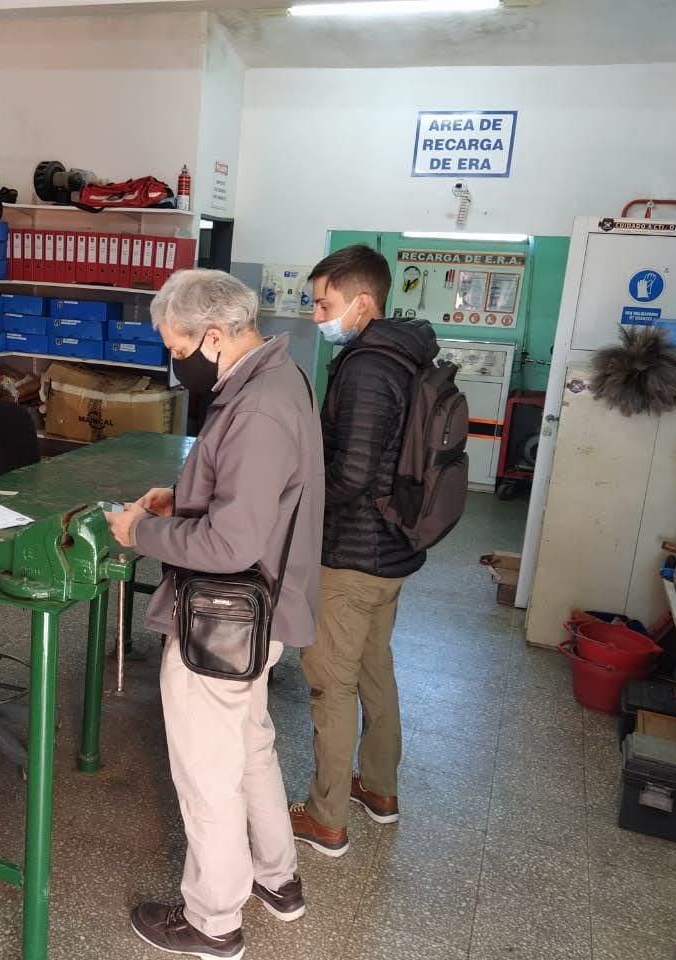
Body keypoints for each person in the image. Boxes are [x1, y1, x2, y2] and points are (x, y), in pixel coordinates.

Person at [105, 269, 323, 960]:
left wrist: (139, 532)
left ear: (213, 334)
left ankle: (213, 920)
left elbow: (232, 542)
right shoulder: (272, 378)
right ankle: (278, 879)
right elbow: (252, 496)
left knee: (207, 769)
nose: (174, 362)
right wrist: (183, 494)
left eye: (175, 347)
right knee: (250, 744)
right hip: (262, 611)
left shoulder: (257, 407)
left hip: (226, 619)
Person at [288, 244, 439, 855]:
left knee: (332, 684)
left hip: (353, 556)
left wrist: (295, 493)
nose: (319, 315)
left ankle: (326, 818)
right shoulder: (406, 354)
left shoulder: (367, 366)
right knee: (375, 670)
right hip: (391, 552)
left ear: (363, 303)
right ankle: (378, 789)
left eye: (325, 303)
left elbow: (349, 475)